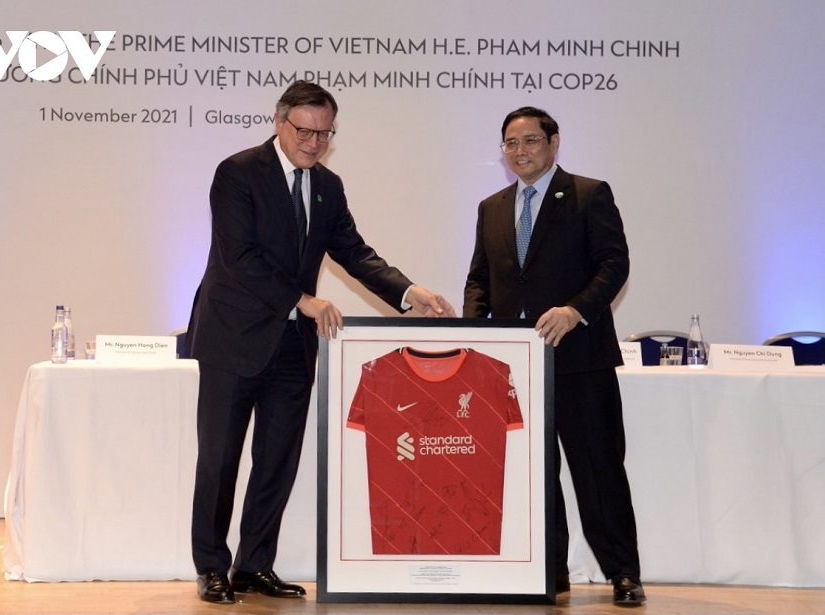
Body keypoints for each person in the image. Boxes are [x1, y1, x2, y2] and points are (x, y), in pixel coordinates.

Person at [185, 81, 456, 604]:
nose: (314, 143)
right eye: (305, 131)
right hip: (233, 340)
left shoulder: (328, 185)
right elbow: (238, 258)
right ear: (279, 121)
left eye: (324, 134)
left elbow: (354, 252)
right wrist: (302, 299)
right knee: (219, 460)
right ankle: (211, 566)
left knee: (277, 460)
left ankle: (253, 565)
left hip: (293, 346)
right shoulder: (238, 173)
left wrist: (408, 291)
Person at [462, 106, 645, 607]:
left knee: (598, 470)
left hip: (580, 359)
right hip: (517, 366)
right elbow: (480, 279)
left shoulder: (588, 194)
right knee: (534, 474)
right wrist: (477, 334)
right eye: (511, 143)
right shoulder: (492, 207)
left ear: (554, 142)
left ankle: (623, 572)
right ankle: (550, 570)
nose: (519, 151)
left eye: (530, 140)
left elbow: (614, 264)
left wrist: (575, 310)